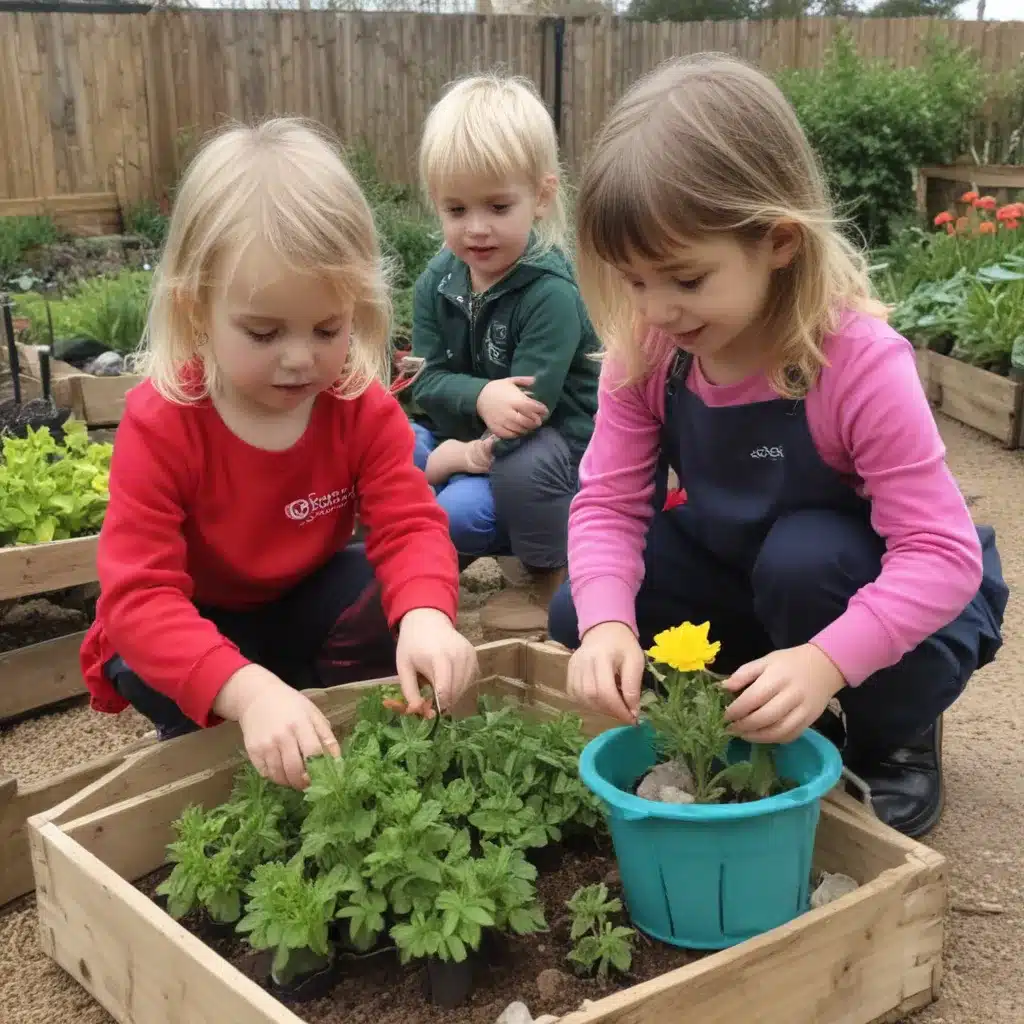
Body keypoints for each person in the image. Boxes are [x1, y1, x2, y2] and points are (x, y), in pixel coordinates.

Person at [548, 54, 1008, 838]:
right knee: (581, 605)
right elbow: (609, 505)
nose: (656, 308)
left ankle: (892, 731)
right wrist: (607, 629)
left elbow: (939, 552)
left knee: (806, 559)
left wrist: (826, 660)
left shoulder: (855, 360)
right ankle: (763, 701)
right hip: (740, 567)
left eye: (685, 280)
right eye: (633, 281)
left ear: (780, 242)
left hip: (863, 581)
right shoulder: (648, 350)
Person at [80, 118, 478, 791]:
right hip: (192, 615)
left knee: (387, 595)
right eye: (263, 333)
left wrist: (427, 618)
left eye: (328, 328)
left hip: (299, 602)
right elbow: (141, 595)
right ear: (196, 309)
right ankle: (235, 719)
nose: (300, 359)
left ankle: (304, 713)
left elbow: (408, 523)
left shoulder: (356, 402)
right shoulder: (162, 421)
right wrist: (244, 688)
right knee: (145, 660)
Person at [409, 72, 600, 637]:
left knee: (520, 471)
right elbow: (423, 382)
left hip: (558, 441)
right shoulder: (437, 281)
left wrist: (455, 451)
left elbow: (523, 417)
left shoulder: (549, 293)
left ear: (541, 197)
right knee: (397, 452)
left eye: (497, 206)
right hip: (472, 434)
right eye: (456, 209)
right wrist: (473, 405)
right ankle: (420, 578)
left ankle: (552, 581)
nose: (476, 229)